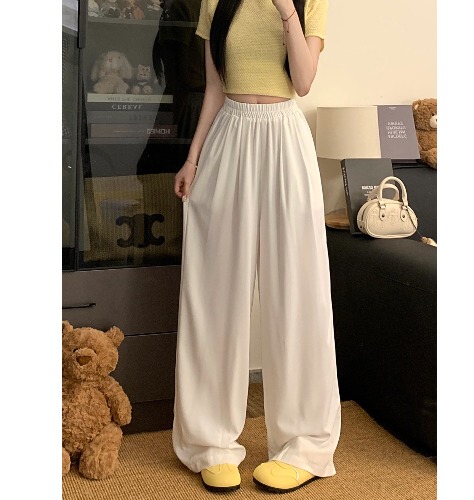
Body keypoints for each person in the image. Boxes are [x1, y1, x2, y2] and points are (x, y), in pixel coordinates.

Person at [172, 0, 341, 493]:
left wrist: (286, 9)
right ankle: (209, 441)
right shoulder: (215, 1)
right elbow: (215, 89)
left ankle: (304, 443)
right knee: (215, 294)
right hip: (228, 139)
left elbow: (304, 81)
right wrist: (193, 158)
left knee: (297, 295)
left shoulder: (309, 2)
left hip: (285, 142)